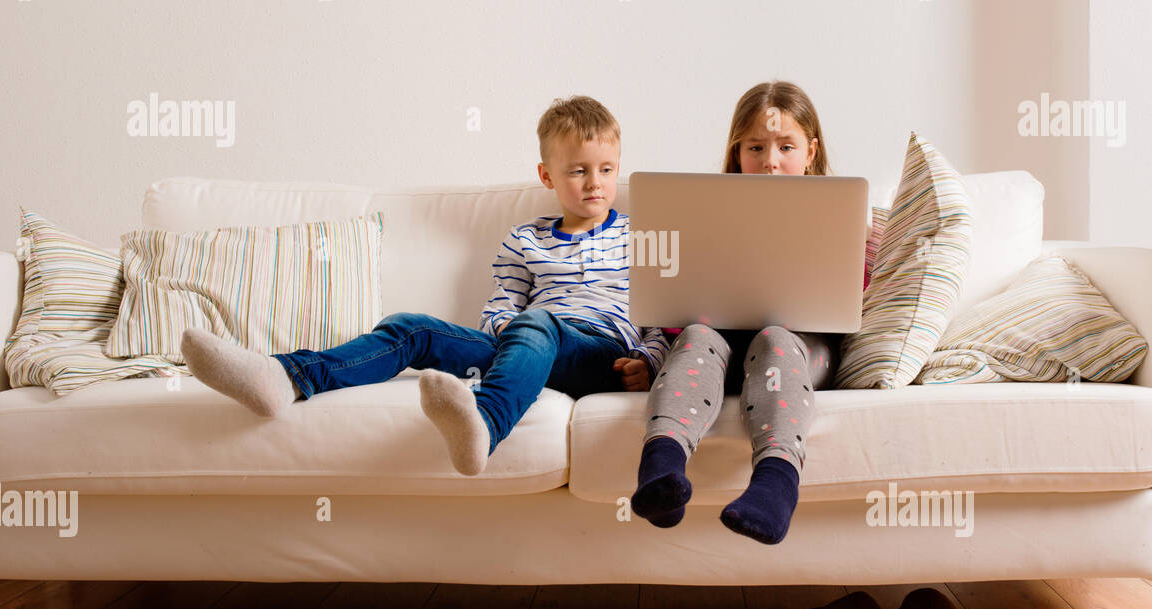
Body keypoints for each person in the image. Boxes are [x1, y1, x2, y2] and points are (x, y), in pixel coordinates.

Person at [181, 95, 669, 476]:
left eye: (606, 170)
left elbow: (662, 315)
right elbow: (500, 305)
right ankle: (286, 377)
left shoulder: (638, 235)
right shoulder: (525, 239)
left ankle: (486, 422)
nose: (594, 183)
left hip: (600, 356)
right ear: (547, 175)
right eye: (578, 170)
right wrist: (507, 333)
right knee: (410, 327)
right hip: (521, 348)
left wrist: (648, 363)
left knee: (536, 321)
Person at [629, 80, 871, 545]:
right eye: (756, 147)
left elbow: (848, 302)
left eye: (786, 146)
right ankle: (661, 471)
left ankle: (775, 487)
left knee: (776, 338)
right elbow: (671, 301)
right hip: (719, 351)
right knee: (698, 336)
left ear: (811, 152)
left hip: (799, 354)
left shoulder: (839, 214)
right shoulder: (703, 211)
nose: (770, 161)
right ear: (737, 153)